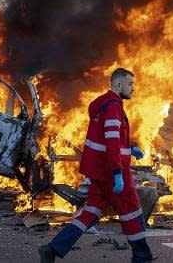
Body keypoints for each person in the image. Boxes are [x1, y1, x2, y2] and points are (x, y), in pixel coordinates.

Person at [39, 68, 153, 263]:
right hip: (113, 173)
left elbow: (109, 137)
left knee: (91, 212)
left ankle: (53, 248)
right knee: (133, 212)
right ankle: (142, 257)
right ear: (118, 85)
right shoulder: (113, 107)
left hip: (100, 173)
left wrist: (129, 147)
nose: (133, 88)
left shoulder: (103, 104)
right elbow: (111, 140)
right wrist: (117, 172)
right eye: (130, 84)